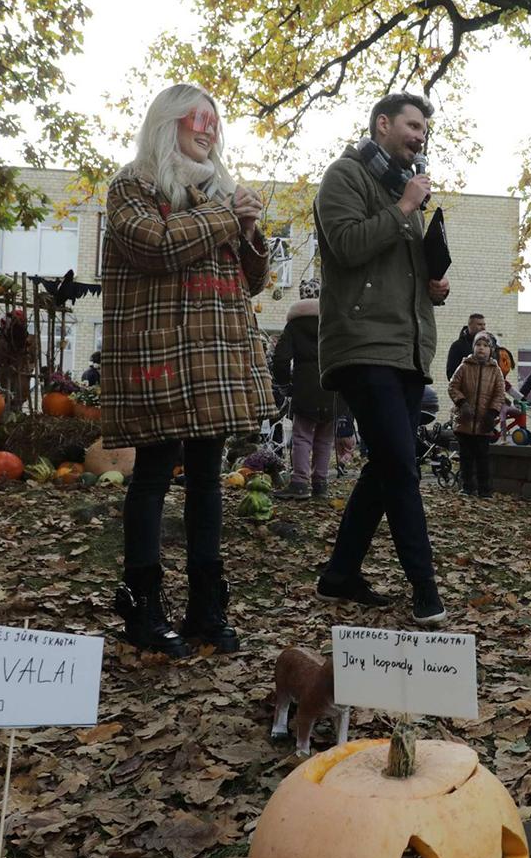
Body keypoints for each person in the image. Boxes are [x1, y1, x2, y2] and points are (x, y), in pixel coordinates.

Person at [102, 83, 272, 658]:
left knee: (205, 479)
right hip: (161, 355)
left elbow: (253, 282)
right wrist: (228, 216)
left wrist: (248, 233)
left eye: (214, 124)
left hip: (217, 357)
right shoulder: (134, 184)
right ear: (166, 123)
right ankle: (143, 607)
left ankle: (206, 606)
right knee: (152, 474)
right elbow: (155, 245)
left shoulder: (218, 193)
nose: (208, 131)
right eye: (196, 121)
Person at [314, 91, 449, 624]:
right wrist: (406, 208)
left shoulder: (399, 188)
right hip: (361, 343)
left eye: (424, 130)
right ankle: (425, 587)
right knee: (398, 464)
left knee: (390, 464)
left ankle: (339, 575)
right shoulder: (344, 177)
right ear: (383, 123)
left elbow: (399, 267)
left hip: (406, 347)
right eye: (412, 126)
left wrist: (431, 288)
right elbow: (346, 246)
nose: (420, 136)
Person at [272, 278, 343, 499]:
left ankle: (299, 483)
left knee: (302, 436)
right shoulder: (334, 323)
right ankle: (320, 484)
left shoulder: (294, 326)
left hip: (305, 389)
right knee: (325, 438)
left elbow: (281, 358)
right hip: (333, 388)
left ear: (302, 296)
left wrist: (284, 385)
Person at [449, 331, 506, 497]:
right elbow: (453, 387)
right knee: (466, 457)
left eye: (485, 346)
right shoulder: (464, 366)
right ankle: (467, 487)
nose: (481, 348)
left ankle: (485, 489)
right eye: (478, 345)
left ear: (491, 350)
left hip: (484, 422)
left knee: (483, 458)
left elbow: (499, 394)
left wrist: (492, 413)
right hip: (465, 421)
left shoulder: (495, 371)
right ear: (473, 347)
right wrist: (462, 403)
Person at [446, 313, 497, 380]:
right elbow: (451, 373)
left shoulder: (491, 345)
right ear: (470, 325)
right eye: (479, 324)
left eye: (484, 324)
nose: (483, 328)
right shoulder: (458, 346)